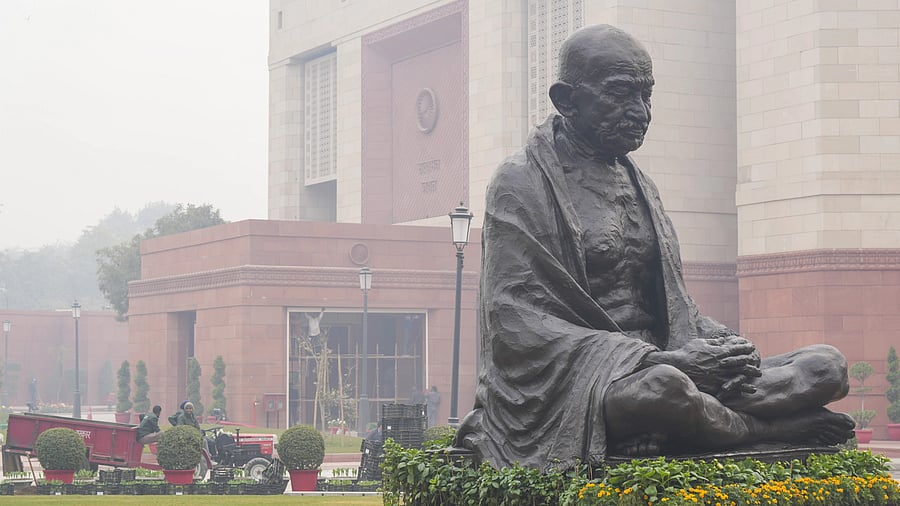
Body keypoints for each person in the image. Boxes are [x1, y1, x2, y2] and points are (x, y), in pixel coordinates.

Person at [454, 24, 854, 471]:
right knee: (664, 390)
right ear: (566, 100)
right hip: (588, 381)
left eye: (646, 95)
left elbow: (671, 307)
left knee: (826, 366)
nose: (639, 112)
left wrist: (723, 346)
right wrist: (660, 360)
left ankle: (703, 422)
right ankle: (763, 430)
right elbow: (515, 321)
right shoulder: (520, 182)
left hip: (675, 362)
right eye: (620, 94)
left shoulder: (639, 184)